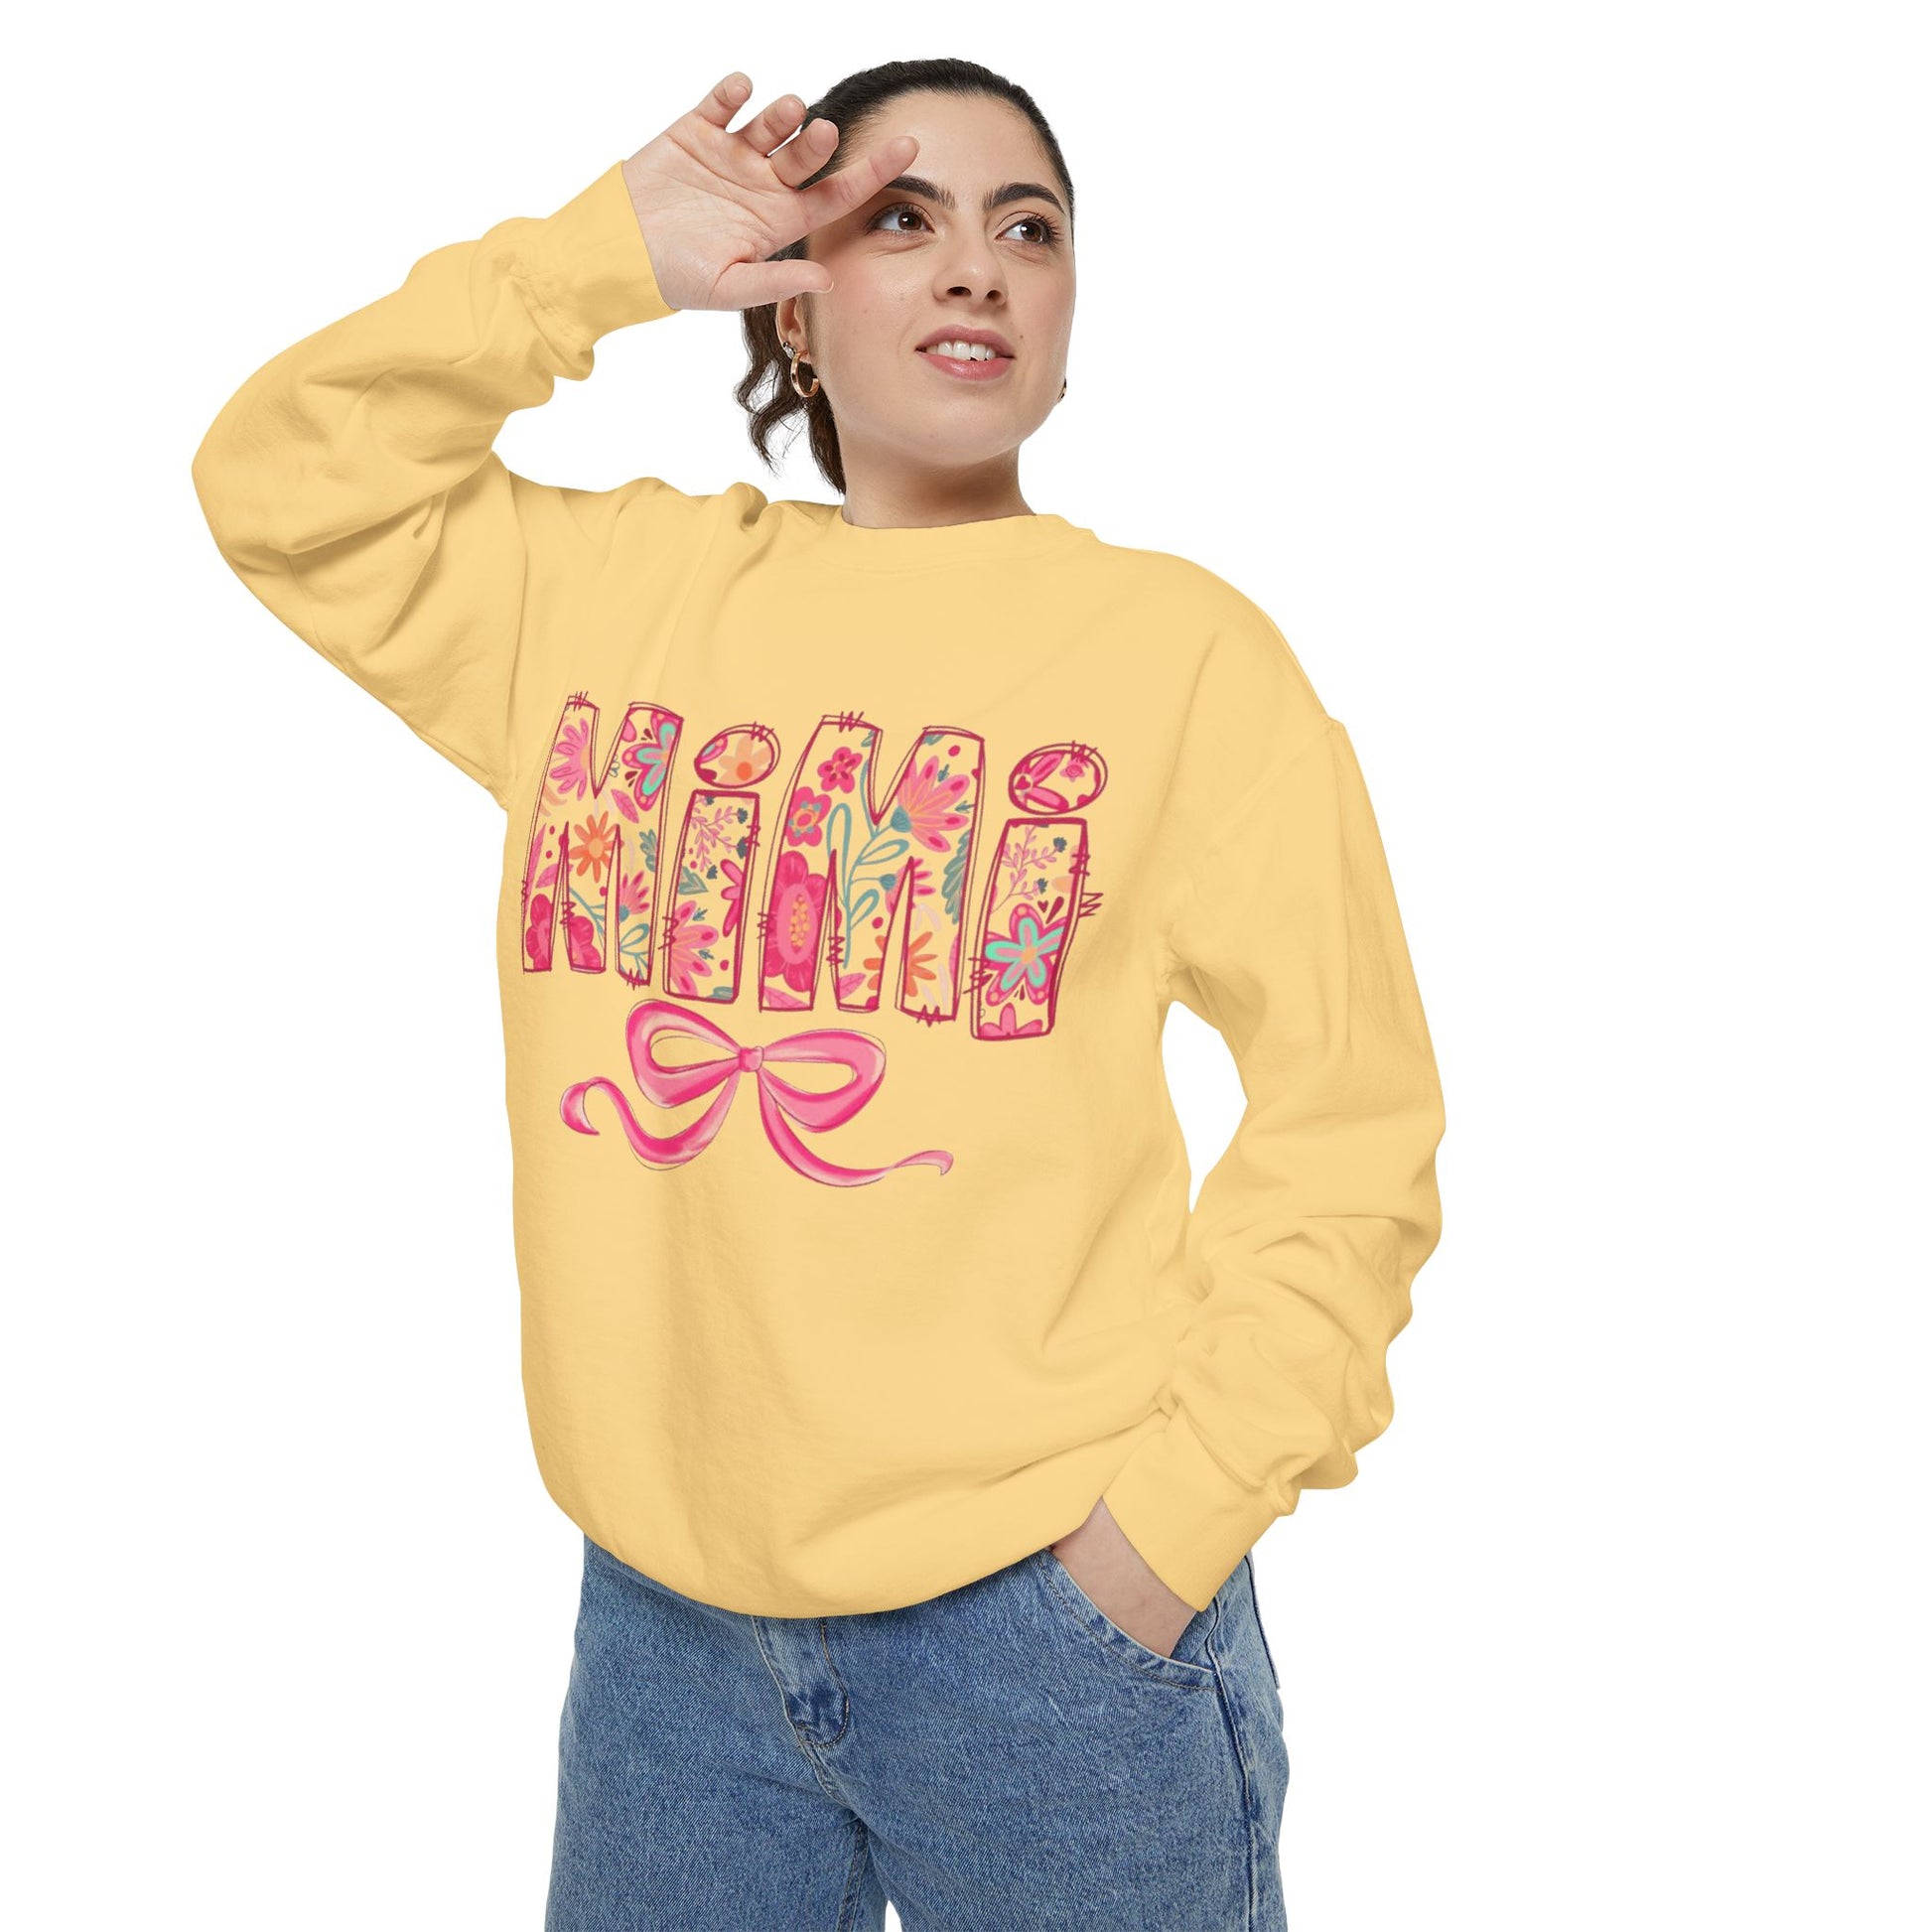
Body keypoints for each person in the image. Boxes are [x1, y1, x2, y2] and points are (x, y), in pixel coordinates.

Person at [191, 58, 1446, 1932]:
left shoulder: (1184, 659)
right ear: (789, 295)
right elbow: (281, 483)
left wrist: (1163, 1535)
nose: (976, 268)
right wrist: (597, 259)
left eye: (1029, 229)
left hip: (1049, 1630)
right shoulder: (607, 598)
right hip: (665, 1635)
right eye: (900, 219)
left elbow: (1351, 1120)